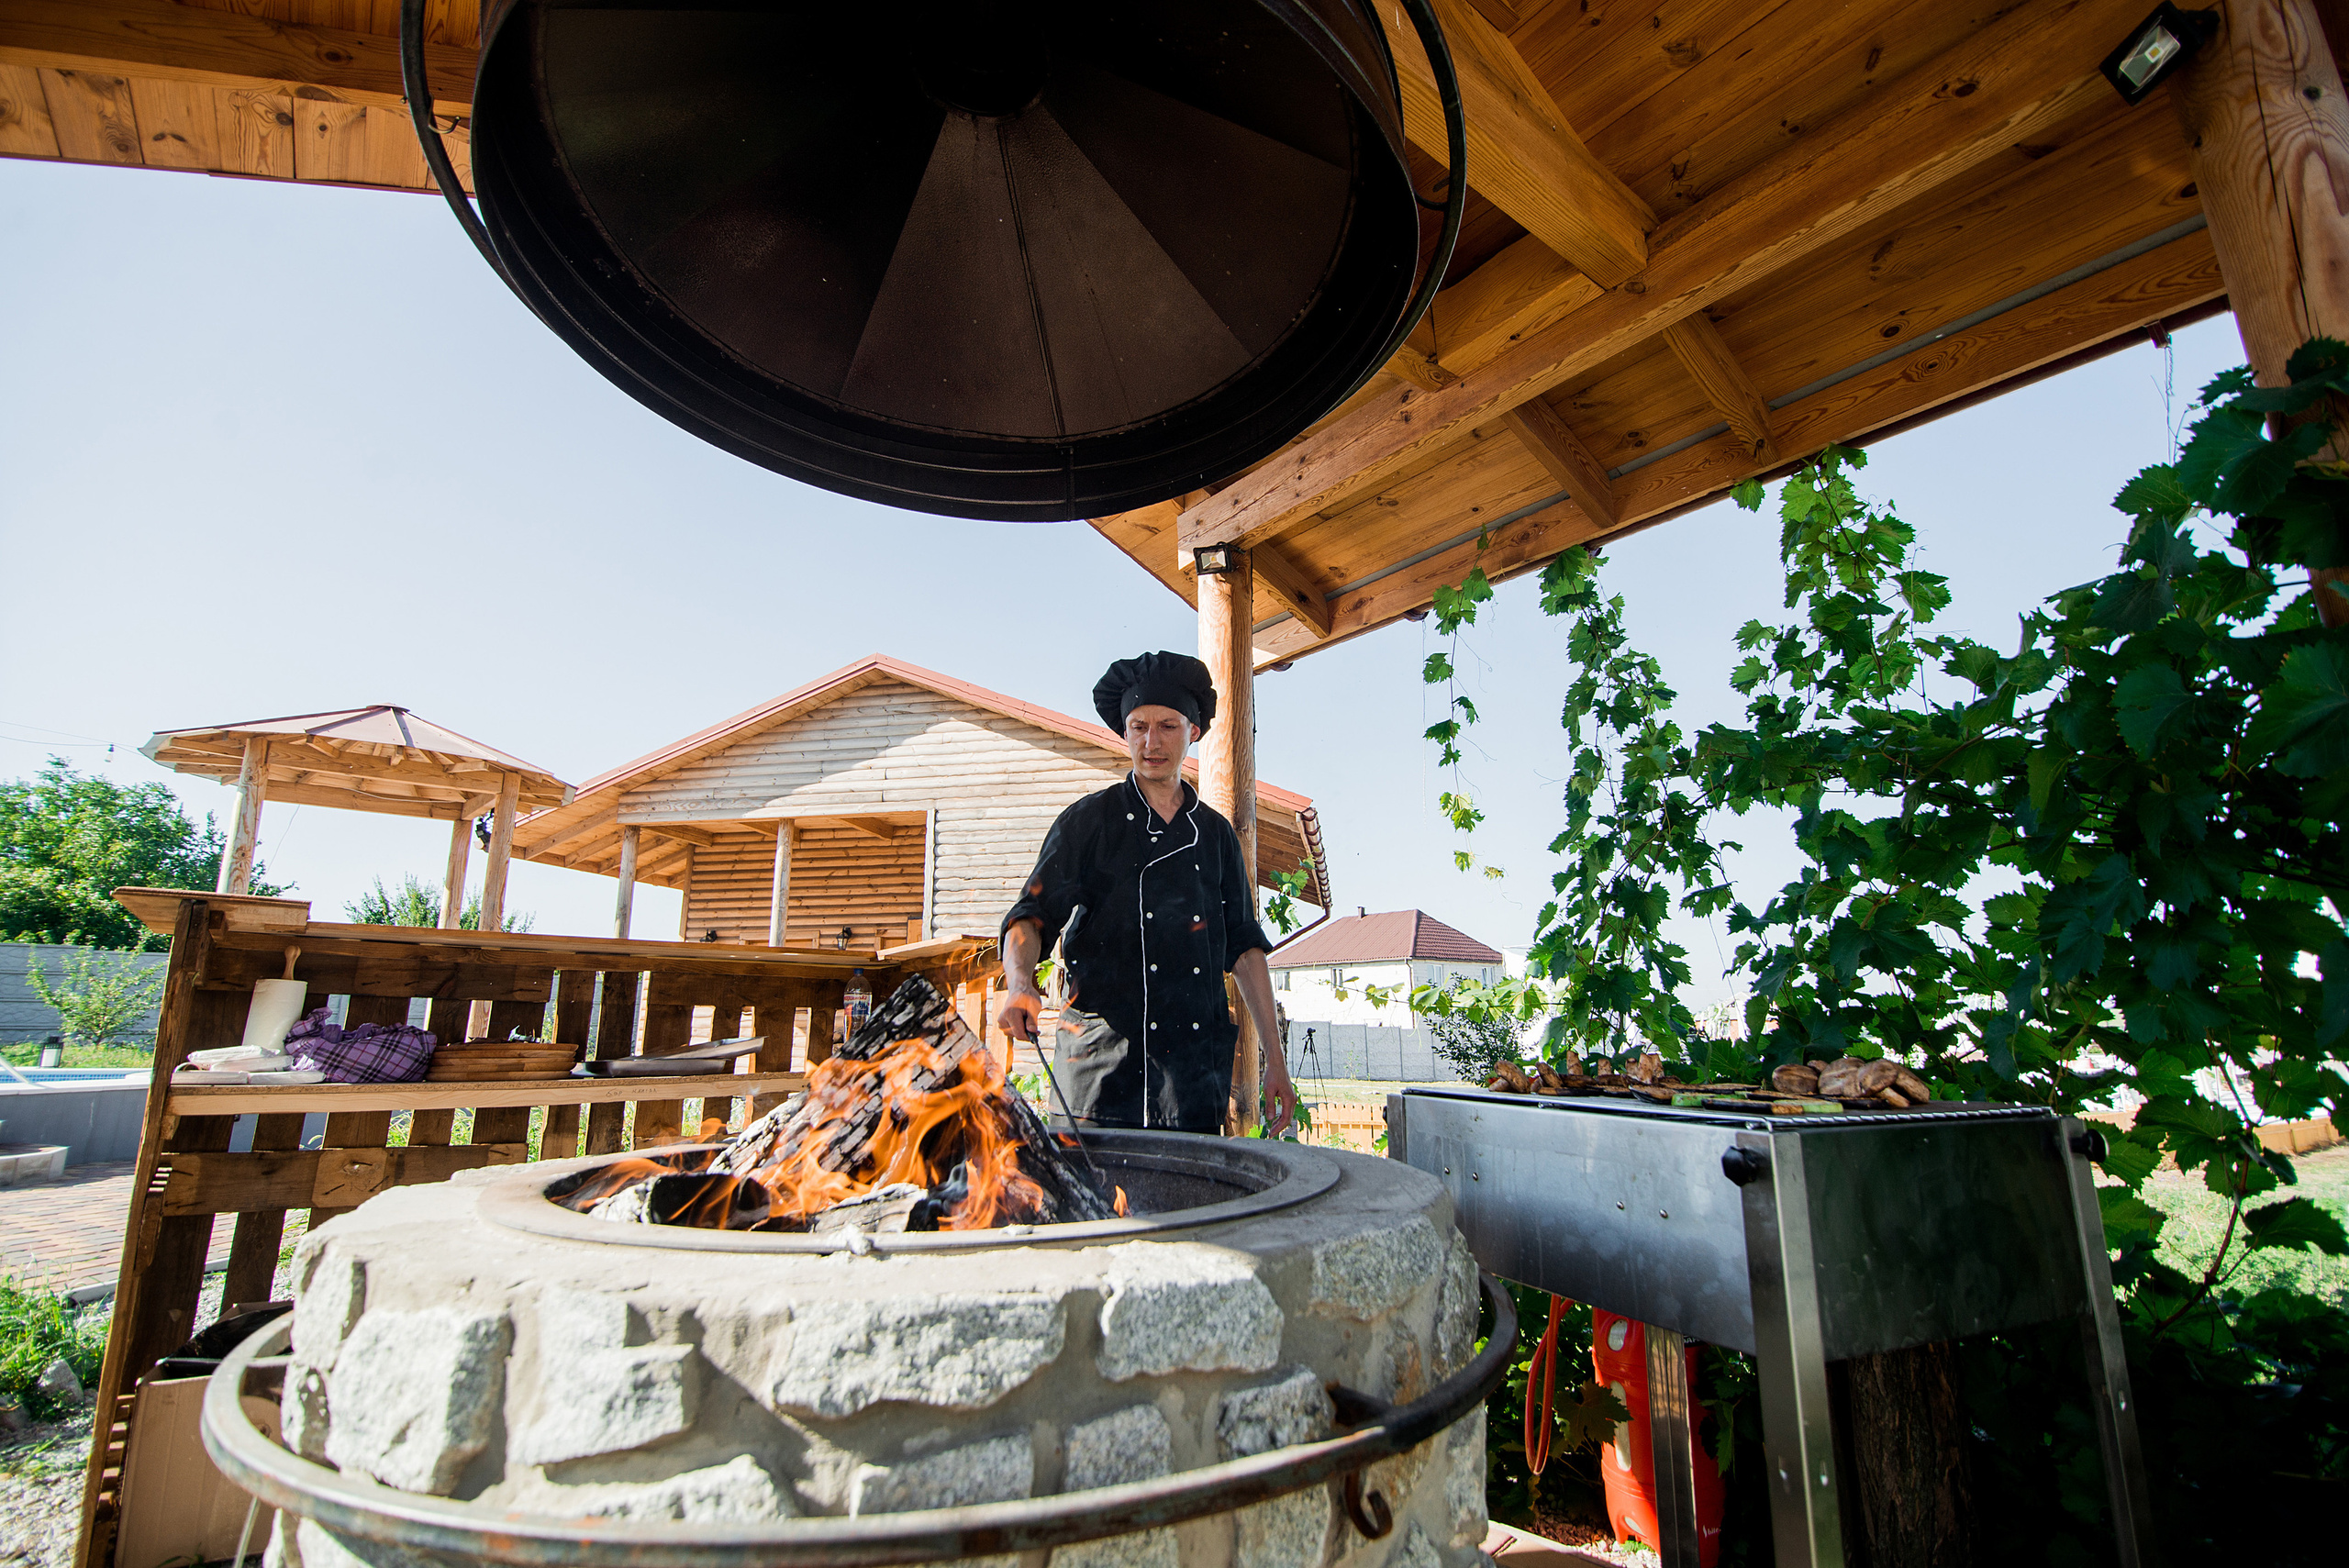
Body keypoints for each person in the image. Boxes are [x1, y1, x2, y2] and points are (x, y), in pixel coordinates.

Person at [996, 651, 1299, 1136]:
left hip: (1192, 1082)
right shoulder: (1089, 822)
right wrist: (1019, 983)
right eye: (1139, 726)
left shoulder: (1216, 835)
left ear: (1193, 733)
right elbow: (1030, 917)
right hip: (1101, 1073)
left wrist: (1275, 1062)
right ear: (1125, 733)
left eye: (1167, 726)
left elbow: (1244, 947)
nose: (1151, 742)